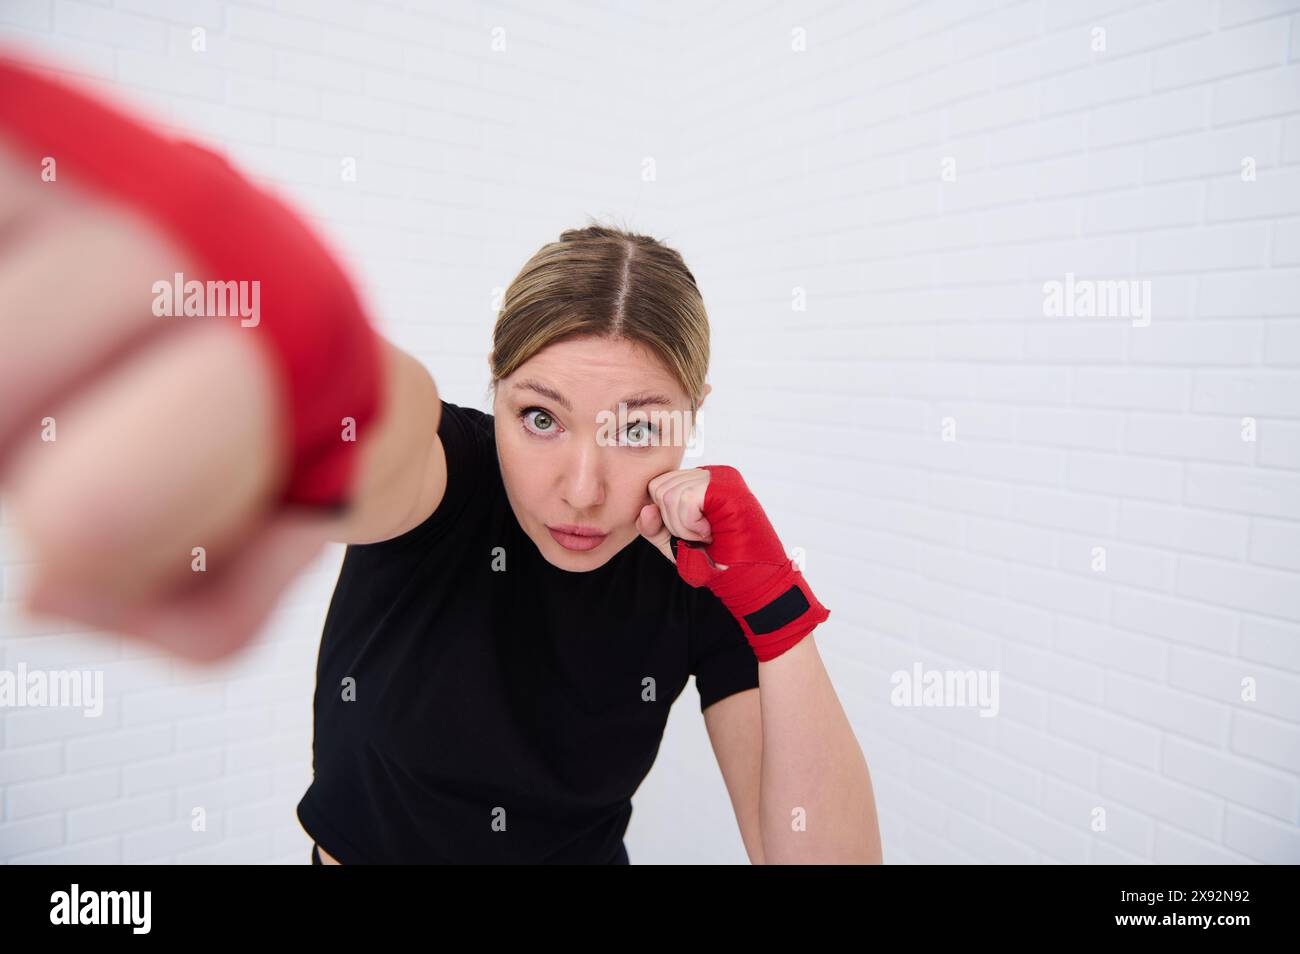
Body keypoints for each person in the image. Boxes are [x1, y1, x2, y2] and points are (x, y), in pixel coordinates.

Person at [0, 52, 882, 865]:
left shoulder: (703, 573)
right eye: (540, 417)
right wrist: (311, 348)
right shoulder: (441, 476)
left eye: (637, 428)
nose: (582, 488)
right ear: (494, 391)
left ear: (696, 420)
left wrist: (777, 610)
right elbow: (382, 419)